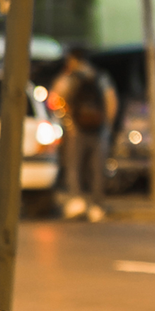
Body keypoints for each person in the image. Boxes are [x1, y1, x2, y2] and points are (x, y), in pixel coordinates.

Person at [50, 48, 117, 221]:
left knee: (74, 166)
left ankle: (77, 201)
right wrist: (107, 124)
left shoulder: (69, 77)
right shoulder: (100, 77)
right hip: (99, 129)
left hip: (76, 129)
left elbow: (54, 99)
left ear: (72, 60)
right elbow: (111, 100)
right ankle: (97, 205)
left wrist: (66, 117)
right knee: (97, 169)